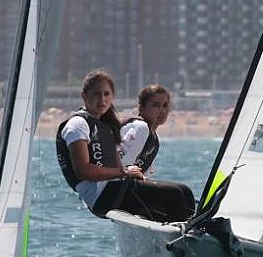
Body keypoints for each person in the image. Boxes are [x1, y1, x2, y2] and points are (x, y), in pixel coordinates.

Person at [56, 69, 195, 222]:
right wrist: (124, 172)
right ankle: (185, 239)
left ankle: (192, 231)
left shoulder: (104, 125)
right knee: (174, 195)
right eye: (96, 94)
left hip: (112, 190)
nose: (102, 99)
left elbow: (117, 166)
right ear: (84, 96)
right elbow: (83, 171)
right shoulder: (78, 124)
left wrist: (134, 177)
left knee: (184, 192)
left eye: (106, 94)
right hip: (100, 196)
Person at [119, 84, 171, 177]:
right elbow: (120, 163)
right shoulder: (140, 127)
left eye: (165, 106)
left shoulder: (154, 139)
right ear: (141, 108)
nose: (162, 110)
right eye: (155, 105)